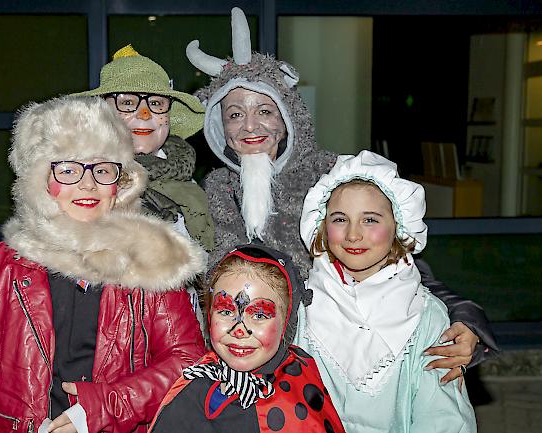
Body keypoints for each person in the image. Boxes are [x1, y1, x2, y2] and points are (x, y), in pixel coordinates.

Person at [186, 6, 498, 382]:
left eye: (264, 110)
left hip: (327, 364)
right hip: (239, 365)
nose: (249, 125)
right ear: (219, 127)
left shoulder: (332, 177)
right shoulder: (212, 192)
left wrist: (464, 317)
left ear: (288, 117)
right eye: (234, 114)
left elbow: (398, 261)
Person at [0, 96, 207, 433]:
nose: (87, 184)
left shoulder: (149, 258)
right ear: (41, 182)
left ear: (121, 183)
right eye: (68, 169)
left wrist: (105, 406)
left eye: (101, 169)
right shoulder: (0, 269)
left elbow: (187, 362)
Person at [296, 150, 476, 432]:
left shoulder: (426, 316)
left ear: (399, 226)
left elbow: (442, 418)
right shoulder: (301, 307)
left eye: (370, 220)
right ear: (321, 224)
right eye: (340, 219)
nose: (353, 235)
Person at [148, 244, 346, 433]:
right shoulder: (194, 385)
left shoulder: (298, 386)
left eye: (259, 315)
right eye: (225, 311)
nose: (239, 330)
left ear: (286, 323)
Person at [74, 44, 214, 252]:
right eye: (128, 102)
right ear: (102, 113)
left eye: (156, 103)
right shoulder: (78, 180)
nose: (144, 114)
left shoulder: (188, 181)